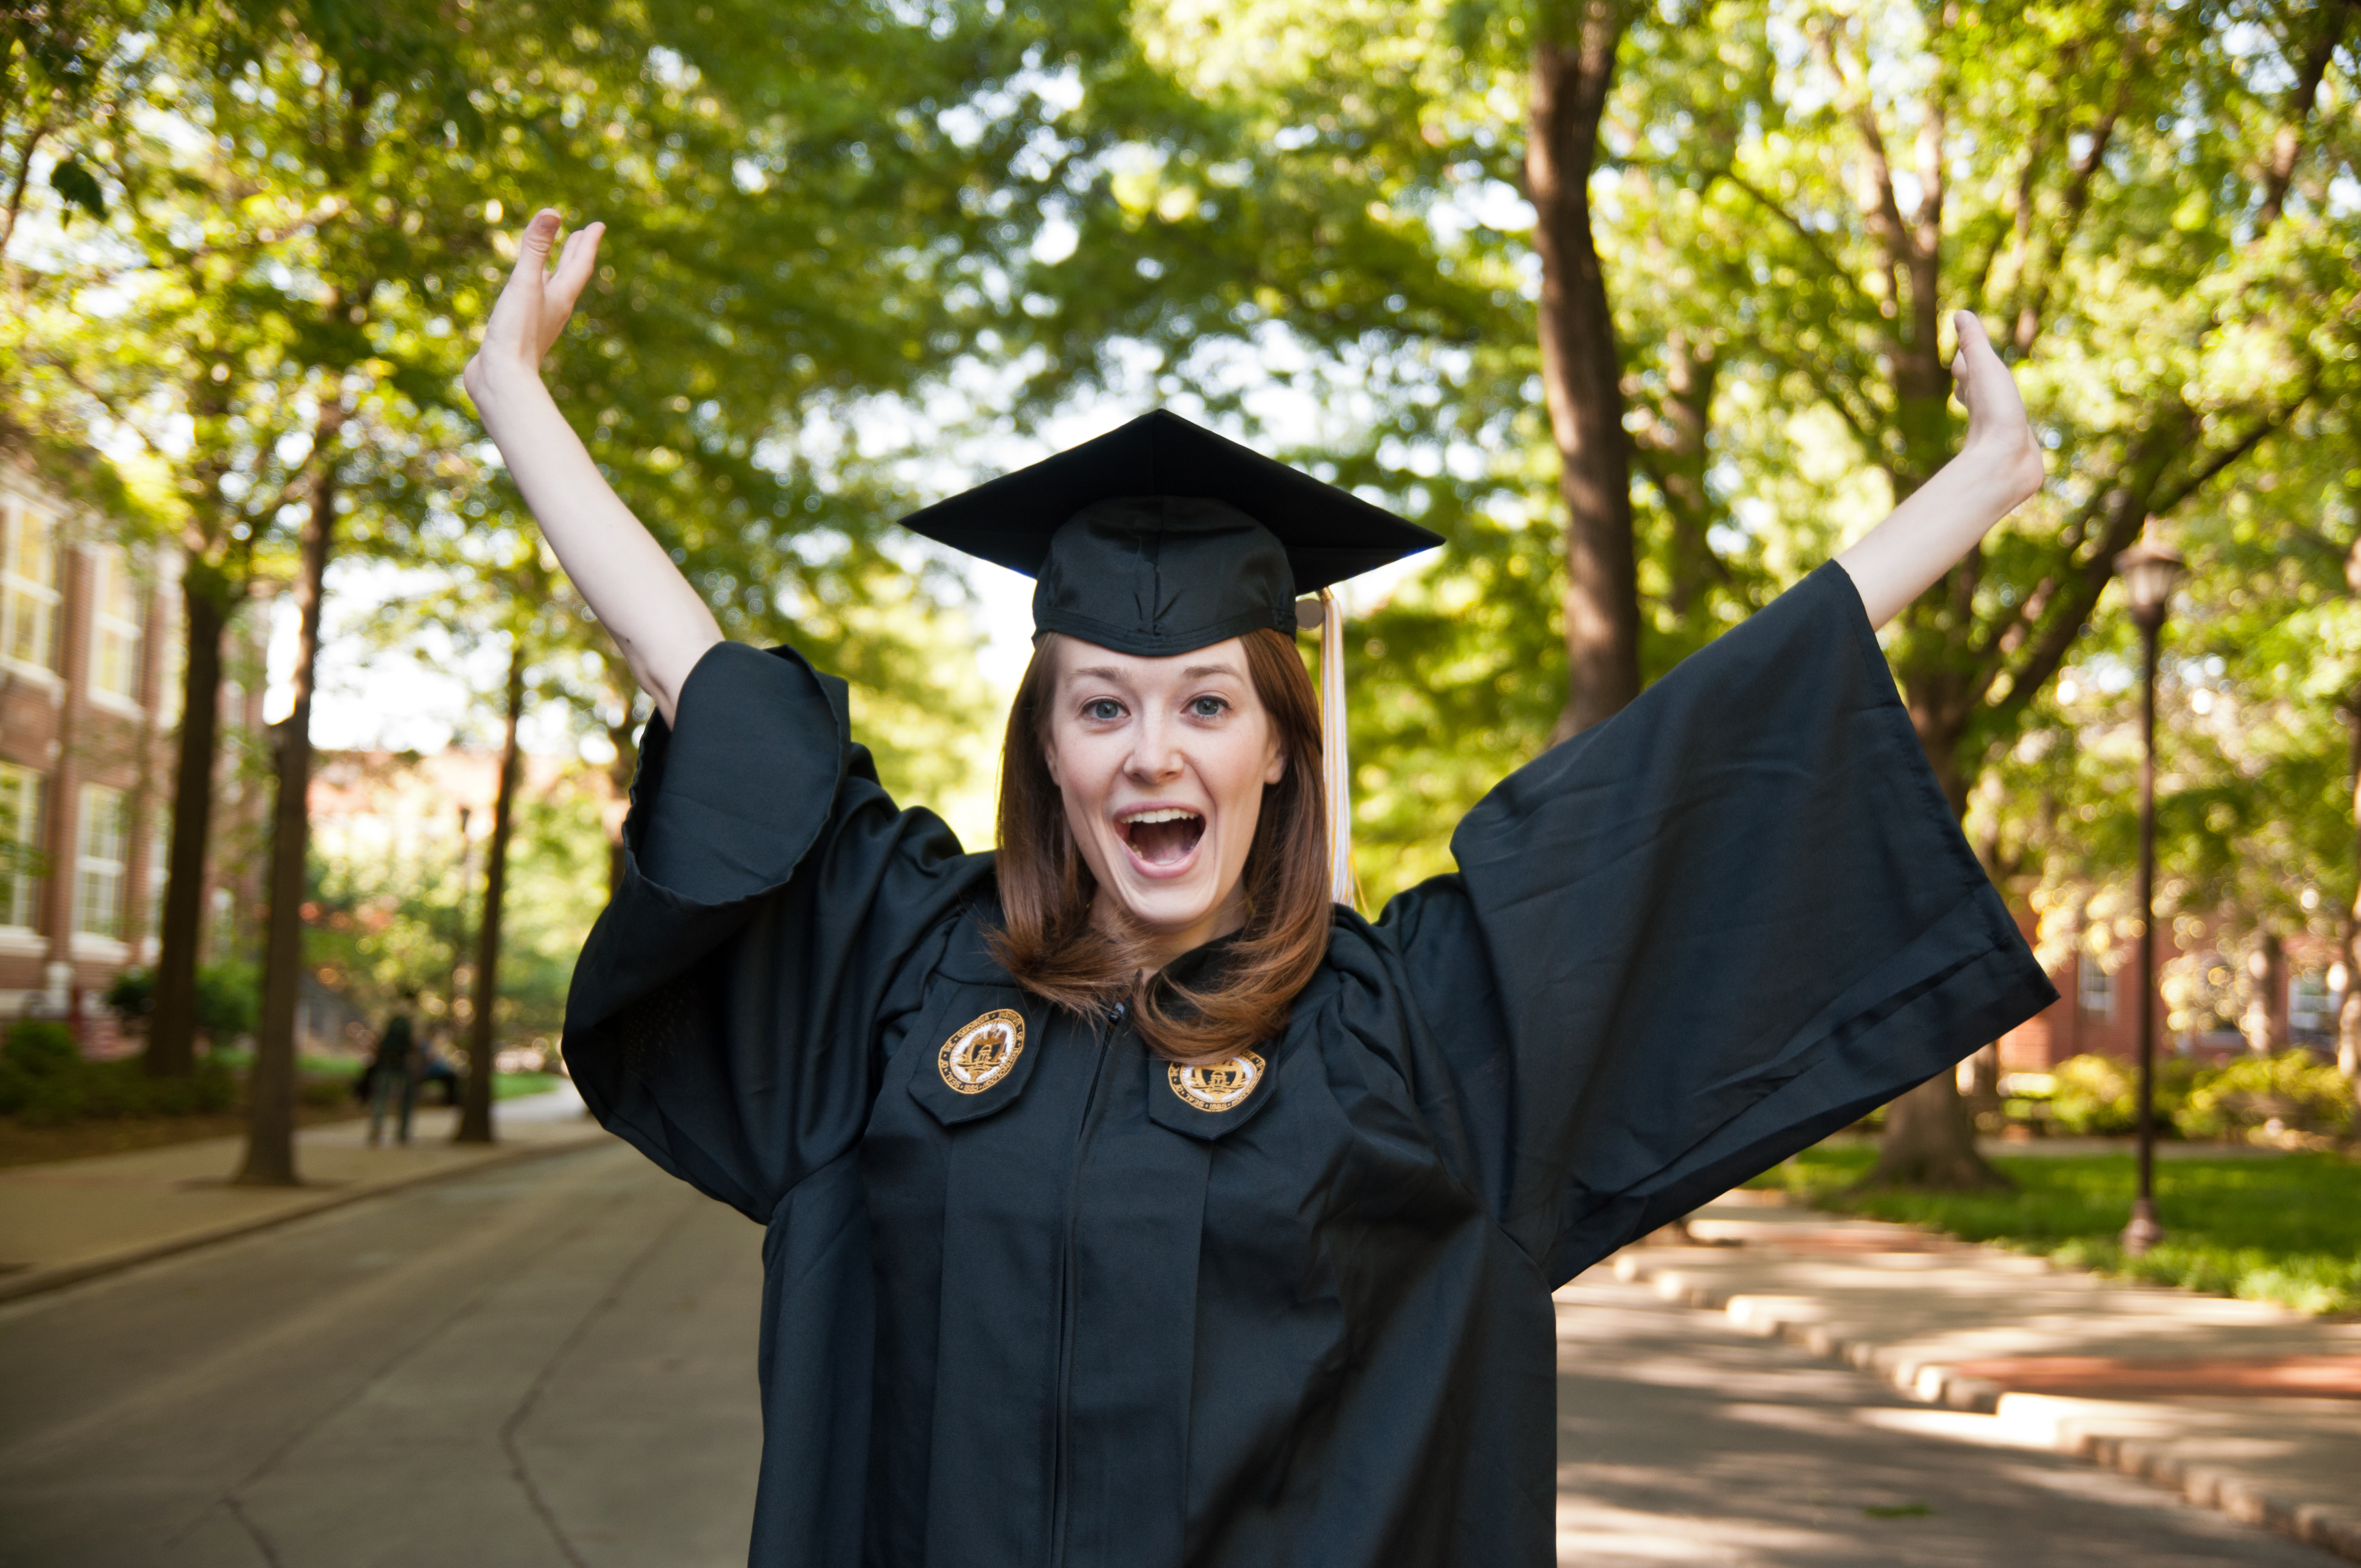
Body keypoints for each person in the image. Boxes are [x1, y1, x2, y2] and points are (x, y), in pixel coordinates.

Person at [465, 209, 2056, 1568]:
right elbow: (718, 698)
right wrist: (518, 401)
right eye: (1103, 705)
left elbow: (1689, 772)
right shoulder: (907, 975)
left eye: (1207, 703)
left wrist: (1974, 490)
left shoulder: (1415, 1033)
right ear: (1052, 750)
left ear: (1282, 750)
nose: (1153, 751)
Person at [366, 993, 421, 1147]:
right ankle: (403, 1134)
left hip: (386, 1062)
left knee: (381, 1097)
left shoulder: (390, 1016)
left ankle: (376, 1130)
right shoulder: (413, 1018)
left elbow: (378, 1039)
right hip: (404, 1063)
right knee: (406, 1100)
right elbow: (416, 1042)